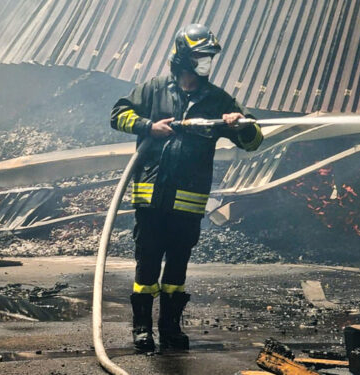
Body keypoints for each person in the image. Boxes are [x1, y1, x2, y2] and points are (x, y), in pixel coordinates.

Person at [110, 24, 263, 352]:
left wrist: (240, 124)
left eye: (208, 56)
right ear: (183, 56)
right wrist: (148, 126)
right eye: (200, 55)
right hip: (150, 198)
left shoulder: (216, 100)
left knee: (177, 267)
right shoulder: (153, 90)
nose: (206, 61)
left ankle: (170, 328)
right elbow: (118, 115)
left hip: (188, 203)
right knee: (147, 264)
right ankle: (142, 328)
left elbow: (253, 141)